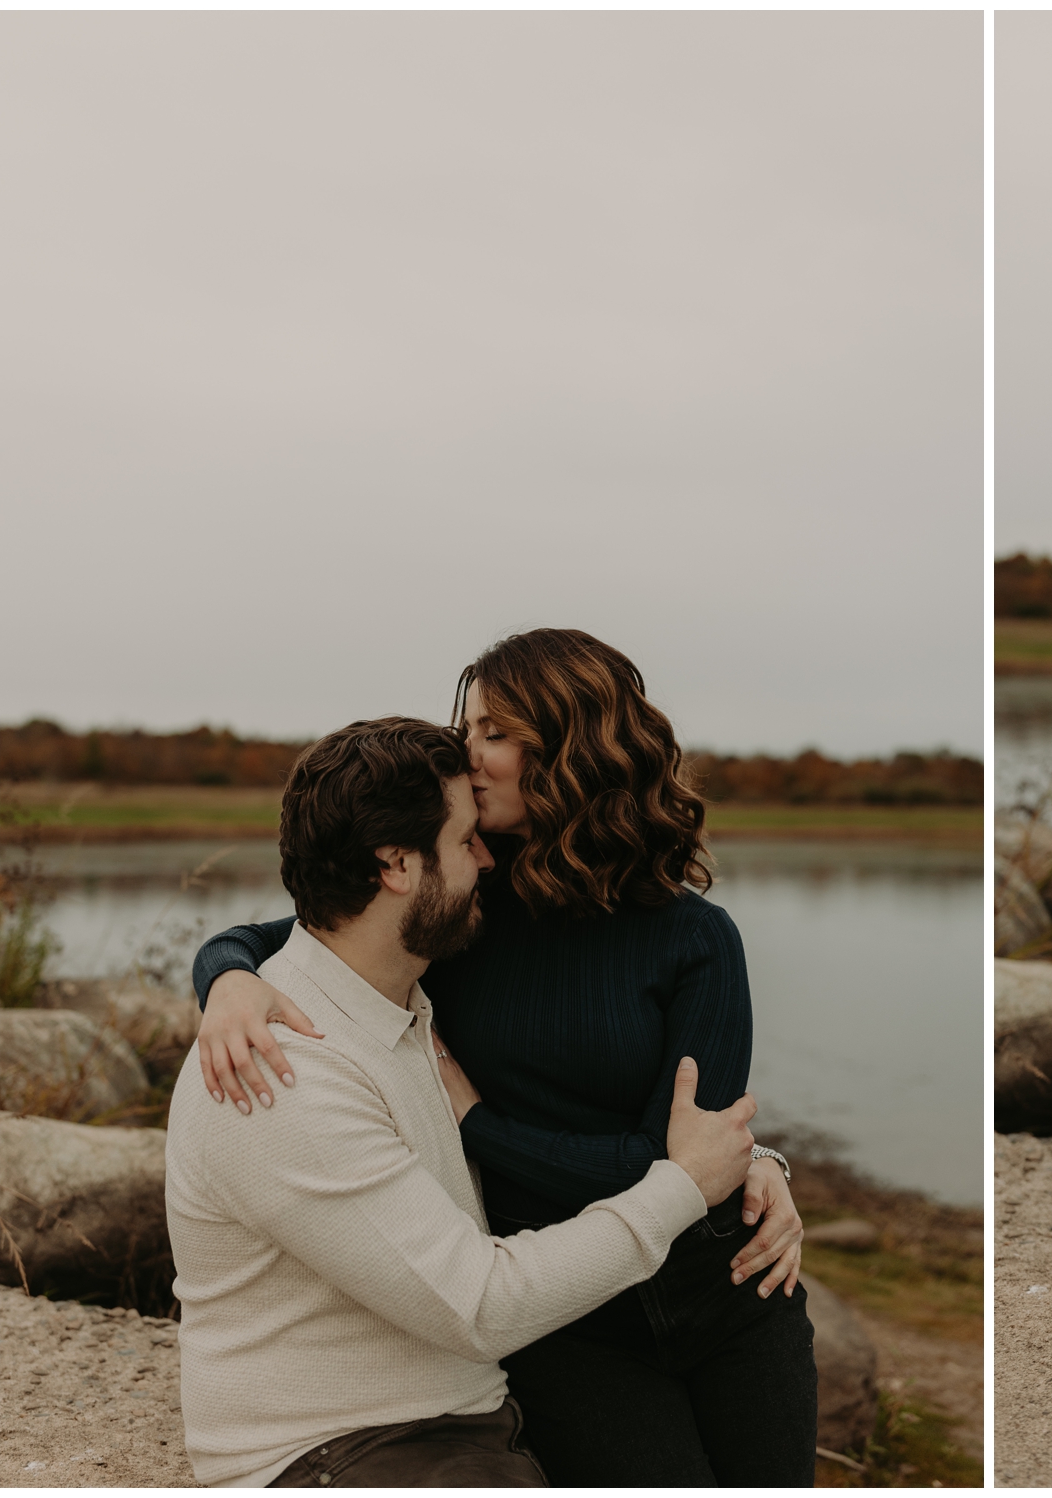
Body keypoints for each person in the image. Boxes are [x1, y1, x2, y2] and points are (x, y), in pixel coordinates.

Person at [186, 630, 817, 1486]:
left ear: (570, 749)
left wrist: (480, 1126)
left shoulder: (695, 939)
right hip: (563, 1313)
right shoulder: (464, 907)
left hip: (723, 1290)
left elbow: (684, 1160)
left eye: (491, 732)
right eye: (467, 726)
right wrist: (225, 974)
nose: (466, 754)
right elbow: (316, 922)